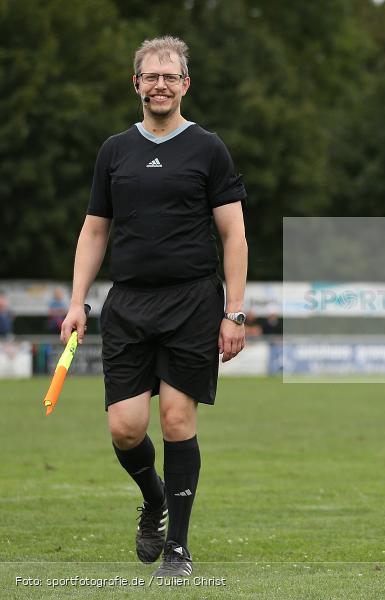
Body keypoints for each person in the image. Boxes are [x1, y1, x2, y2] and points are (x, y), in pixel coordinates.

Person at [59, 36, 248, 578]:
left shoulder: (208, 148)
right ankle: (154, 497)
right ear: (136, 83)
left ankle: (178, 549)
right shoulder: (114, 151)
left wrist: (235, 311)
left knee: (176, 418)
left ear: (185, 84)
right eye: (151, 76)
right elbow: (95, 230)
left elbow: (233, 235)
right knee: (125, 427)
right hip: (129, 304)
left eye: (170, 76)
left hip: (193, 301)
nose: (160, 85)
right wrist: (76, 302)